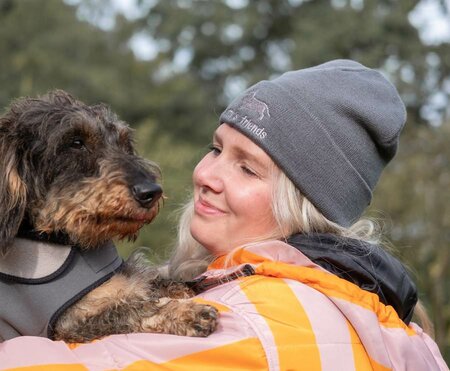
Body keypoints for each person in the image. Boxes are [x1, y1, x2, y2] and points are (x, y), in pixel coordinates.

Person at [1, 60, 447, 370]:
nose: (206, 175)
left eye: (248, 167)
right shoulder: (353, 304)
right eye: (216, 148)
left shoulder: (254, 328)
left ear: (303, 203)